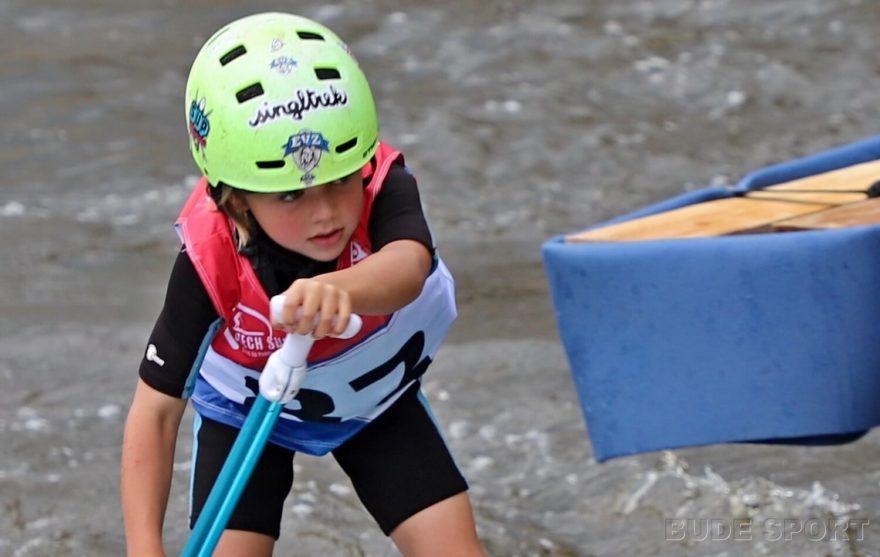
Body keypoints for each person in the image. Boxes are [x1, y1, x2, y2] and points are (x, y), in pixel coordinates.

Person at [120, 12, 485, 557]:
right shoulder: (207, 264)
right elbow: (154, 412)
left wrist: (344, 289)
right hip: (246, 420)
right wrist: (143, 548)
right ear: (237, 198)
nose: (327, 214)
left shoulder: (384, 185)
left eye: (340, 181)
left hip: (373, 404)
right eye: (291, 194)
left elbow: (409, 266)